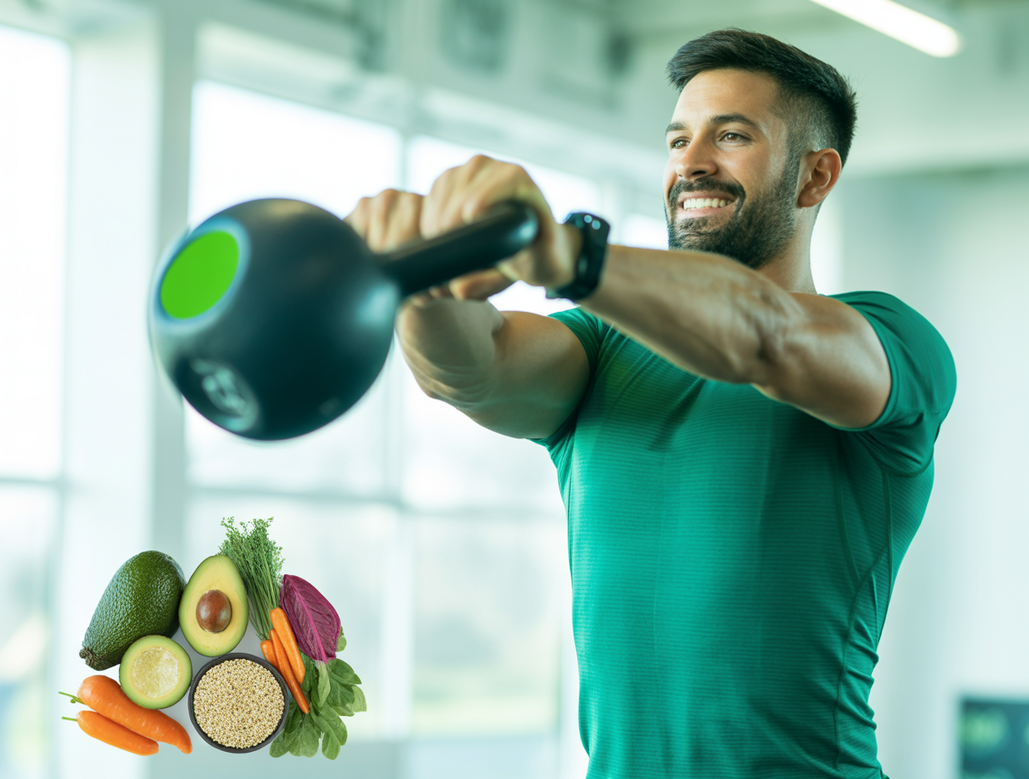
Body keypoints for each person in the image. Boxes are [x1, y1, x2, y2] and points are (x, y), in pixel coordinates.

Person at [348, 28, 956, 779]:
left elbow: (765, 334)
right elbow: (469, 370)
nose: (691, 161)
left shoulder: (892, 342)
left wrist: (569, 255)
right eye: (678, 139)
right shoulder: (603, 346)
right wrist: (418, 283)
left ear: (815, 176)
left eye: (731, 136)